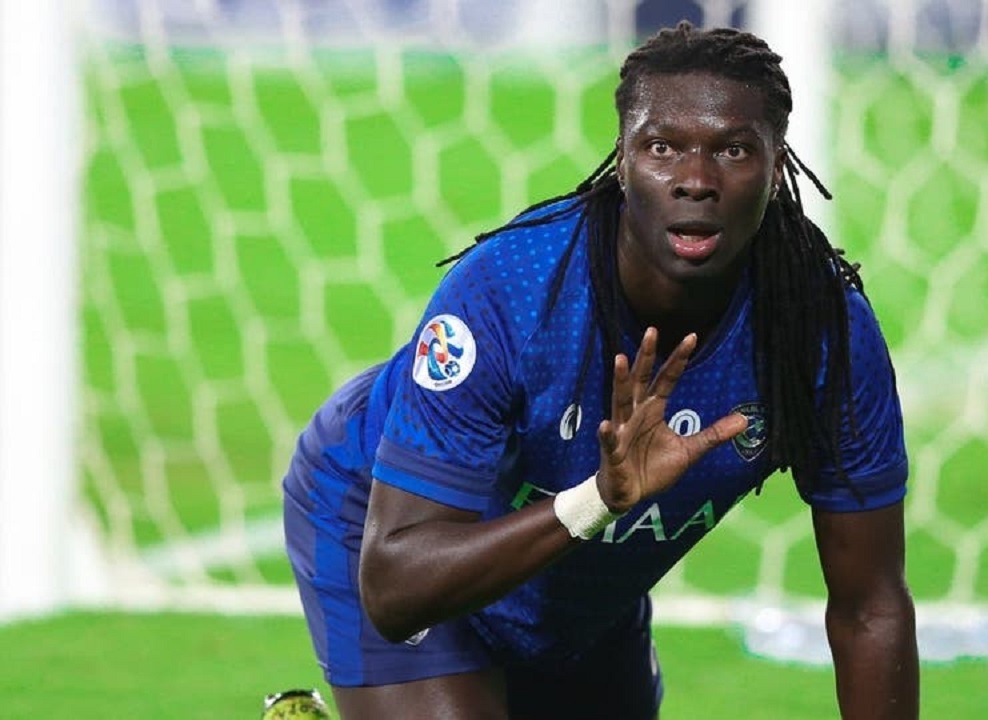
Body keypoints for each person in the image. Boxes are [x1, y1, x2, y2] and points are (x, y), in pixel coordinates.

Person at [281, 20, 918, 719]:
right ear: (621, 158)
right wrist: (597, 501)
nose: (696, 181)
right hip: (384, 523)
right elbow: (395, 590)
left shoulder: (820, 332)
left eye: (734, 150)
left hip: (574, 574)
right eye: (662, 147)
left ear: (777, 164)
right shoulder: (515, 290)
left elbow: (870, 606)